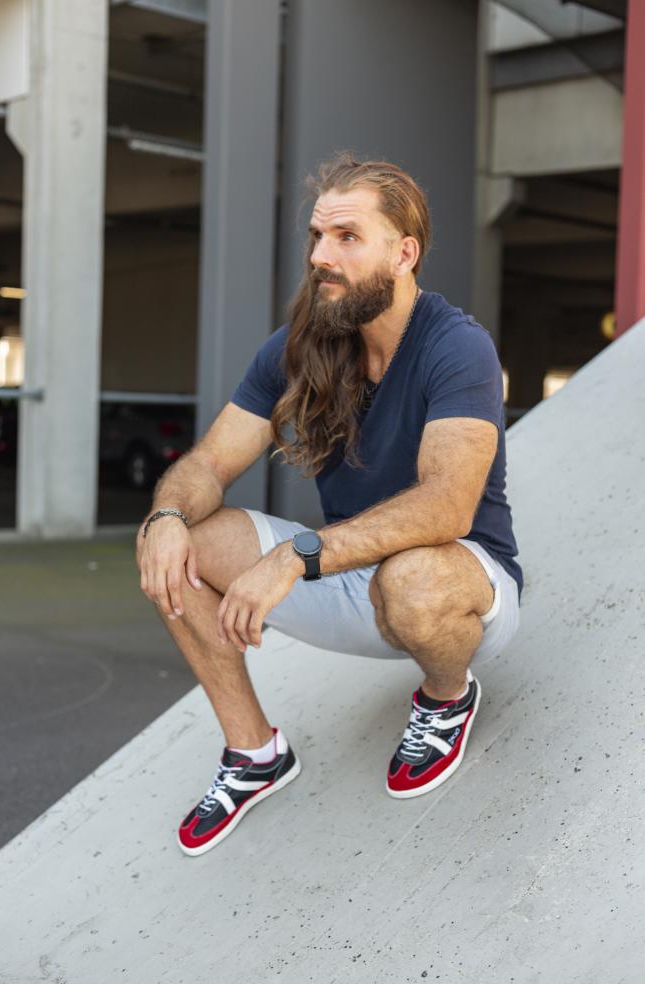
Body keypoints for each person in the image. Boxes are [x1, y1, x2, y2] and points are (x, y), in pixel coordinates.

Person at [136, 153, 523, 857]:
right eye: (317, 237)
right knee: (177, 538)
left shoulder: (456, 347)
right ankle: (254, 754)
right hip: (350, 581)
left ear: (403, 253)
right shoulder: (299, 347)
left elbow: (445, 508)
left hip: (456, 588)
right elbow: (209, 462)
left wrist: (297, 553)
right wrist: (165, 519)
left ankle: (444, 698)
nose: (321, 256)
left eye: (346, 237)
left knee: (412, 576)